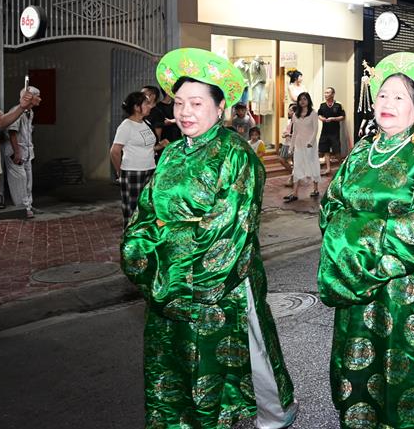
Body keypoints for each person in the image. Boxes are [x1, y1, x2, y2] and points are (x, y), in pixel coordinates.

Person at [121, 47, 297, 429]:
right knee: (173, 360)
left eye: (196, 103)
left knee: (242, 355)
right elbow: (145, 214)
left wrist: (169, 261)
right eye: (180, 102)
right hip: (166, 282)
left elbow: (228, 227)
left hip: (217, 282)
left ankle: (273, 412)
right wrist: (141, 255)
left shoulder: (236, 155)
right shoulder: (170, 156)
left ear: (220, 108)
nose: (185, 112)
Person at [318, 51, 414, 429]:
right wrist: (355, 243)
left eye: (399, 97)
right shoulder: (361, 151)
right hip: (355, 278)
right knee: (357, 358)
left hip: (403, 284)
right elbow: (331, 207)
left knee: (401, 363)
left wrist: (360, 238)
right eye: (382, 95)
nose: (387, 103)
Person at [110, 91, 157, 227]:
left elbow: (148, 147)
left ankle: (144, 239)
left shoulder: (145, 123)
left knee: (148, 208)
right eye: (146, 104)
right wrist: (120, 172)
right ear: (137, 107)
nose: (150, 106)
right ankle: (131, 241)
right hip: (133, 172)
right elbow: (114, 151)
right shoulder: (126, 126)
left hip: (150, 170)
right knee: (132, 210)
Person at [4, 86, 41, 218]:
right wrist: (17, 152)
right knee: (19, 180)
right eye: (38, 96)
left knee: (27, 180)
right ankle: (22, 208)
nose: (40, 99)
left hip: (26, 151)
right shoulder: (17, 111)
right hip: (16, 150)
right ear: (30, 97)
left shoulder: (29, 112)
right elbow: (12, 131)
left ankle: (28, 205)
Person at [284, 92, 320, 202]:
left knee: (312, 164)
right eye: (300, 99)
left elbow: (315, 129)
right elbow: (294, 132)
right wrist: (291, 146)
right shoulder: (295, 115)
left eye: (304, 99)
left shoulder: (313, 113)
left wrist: (311, 142)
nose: (302, 101)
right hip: (299, 144)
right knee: (297, 166)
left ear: (308, 100)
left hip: (310, 145)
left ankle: (315, 189)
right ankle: (294, 193)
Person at [317, 86, 346, 176]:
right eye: (325, 93)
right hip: (325, 132)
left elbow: (342, 117)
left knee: (337, 151)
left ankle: (341, 167)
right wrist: (322, 119)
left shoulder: (338, 104)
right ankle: (328, 168)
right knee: (325, 150)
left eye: (328, 93)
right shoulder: (322, 105)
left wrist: (333, 118)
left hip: (334, 132)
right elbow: (319, 115)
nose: (326, 94)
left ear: (333, 94)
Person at [280, 102, 296, 187]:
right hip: (286, 143)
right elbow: (285, 130)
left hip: (294, 144)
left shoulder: (298, 122)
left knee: (295, 161)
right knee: (282, 159)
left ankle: (292, 178)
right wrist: (284, 134)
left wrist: (289, 135)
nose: (288, 111)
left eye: (290, 110)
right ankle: (294, 175)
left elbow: (300, 134)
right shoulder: (289, 121)